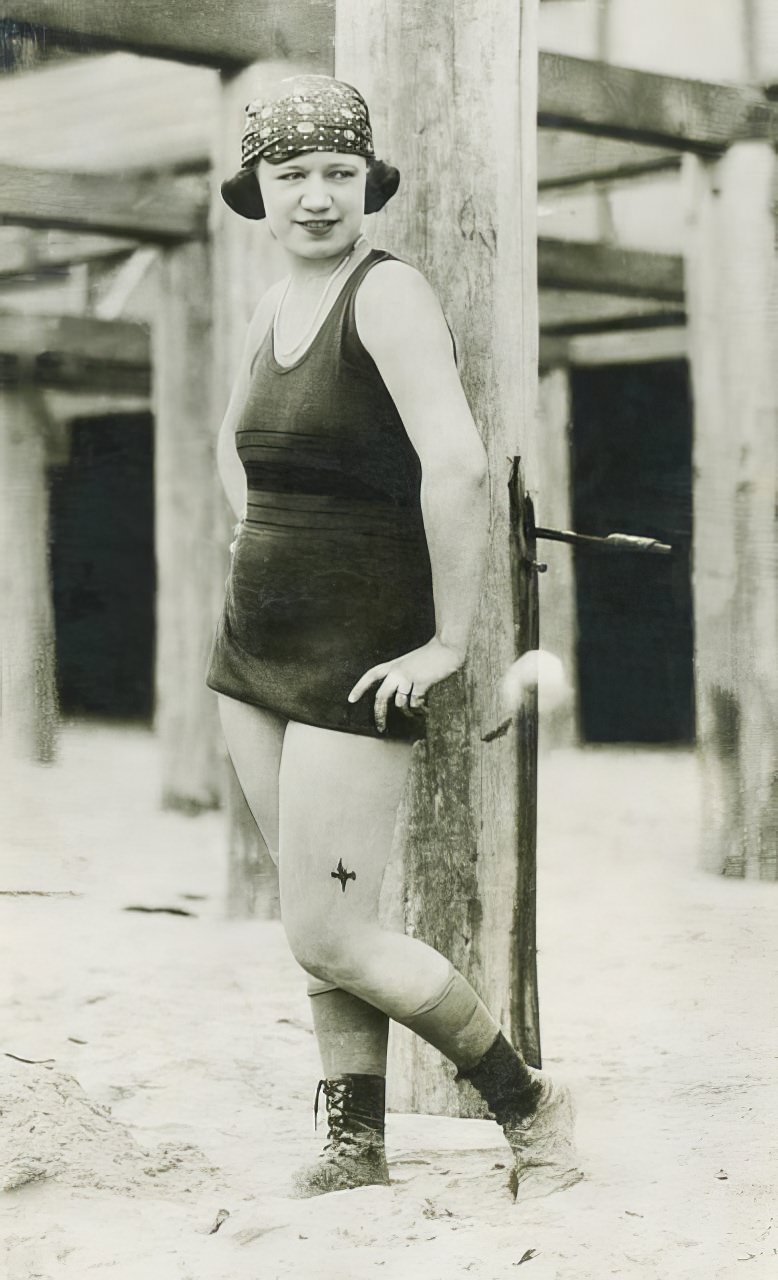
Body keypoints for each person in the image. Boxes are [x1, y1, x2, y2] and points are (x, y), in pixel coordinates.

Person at [205, 74, 581, 1201]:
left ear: (368, 180)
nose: (315, 197)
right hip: (252, 650)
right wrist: (253, 533)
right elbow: (232, 441)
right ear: (258, 191)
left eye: (336, 174)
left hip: (355, 654)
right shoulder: (275, 305)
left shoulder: (390, 293)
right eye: (291, 176)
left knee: (334, 927)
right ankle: (355, 1139)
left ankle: (530, 1100)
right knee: (314, 918)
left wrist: (446, 643)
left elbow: (457, 463)